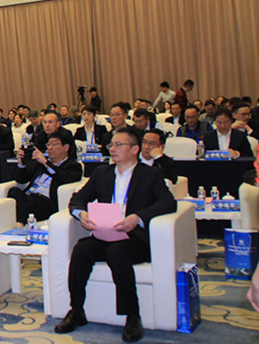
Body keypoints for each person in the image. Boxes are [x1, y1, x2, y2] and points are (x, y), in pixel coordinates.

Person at [55, 128, 176, 342]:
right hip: (105, 235)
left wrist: (137, 218)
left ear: (135, 149)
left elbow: (168, 203)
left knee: (117, 253)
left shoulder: (150, 175)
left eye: (119, 145)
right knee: (81, 249)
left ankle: (132, 316)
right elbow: (78, 198)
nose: (113, 149)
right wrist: (81, 213)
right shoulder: (102, 173)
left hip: (135, 239)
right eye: (111, 145)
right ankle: (77, 310)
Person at [7, 132, 83, 226]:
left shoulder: (73, 166)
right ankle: (19, 223)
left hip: (47, 203)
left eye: (54, 144)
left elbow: (63, 178)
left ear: (66, 147)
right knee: (14, 192)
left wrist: (46, 163)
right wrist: (21, 164)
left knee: (17, 201)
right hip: (29, 197)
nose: (50, 148)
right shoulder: (40, 163)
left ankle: (19, 224)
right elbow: (21, 180)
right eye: (48, 144)